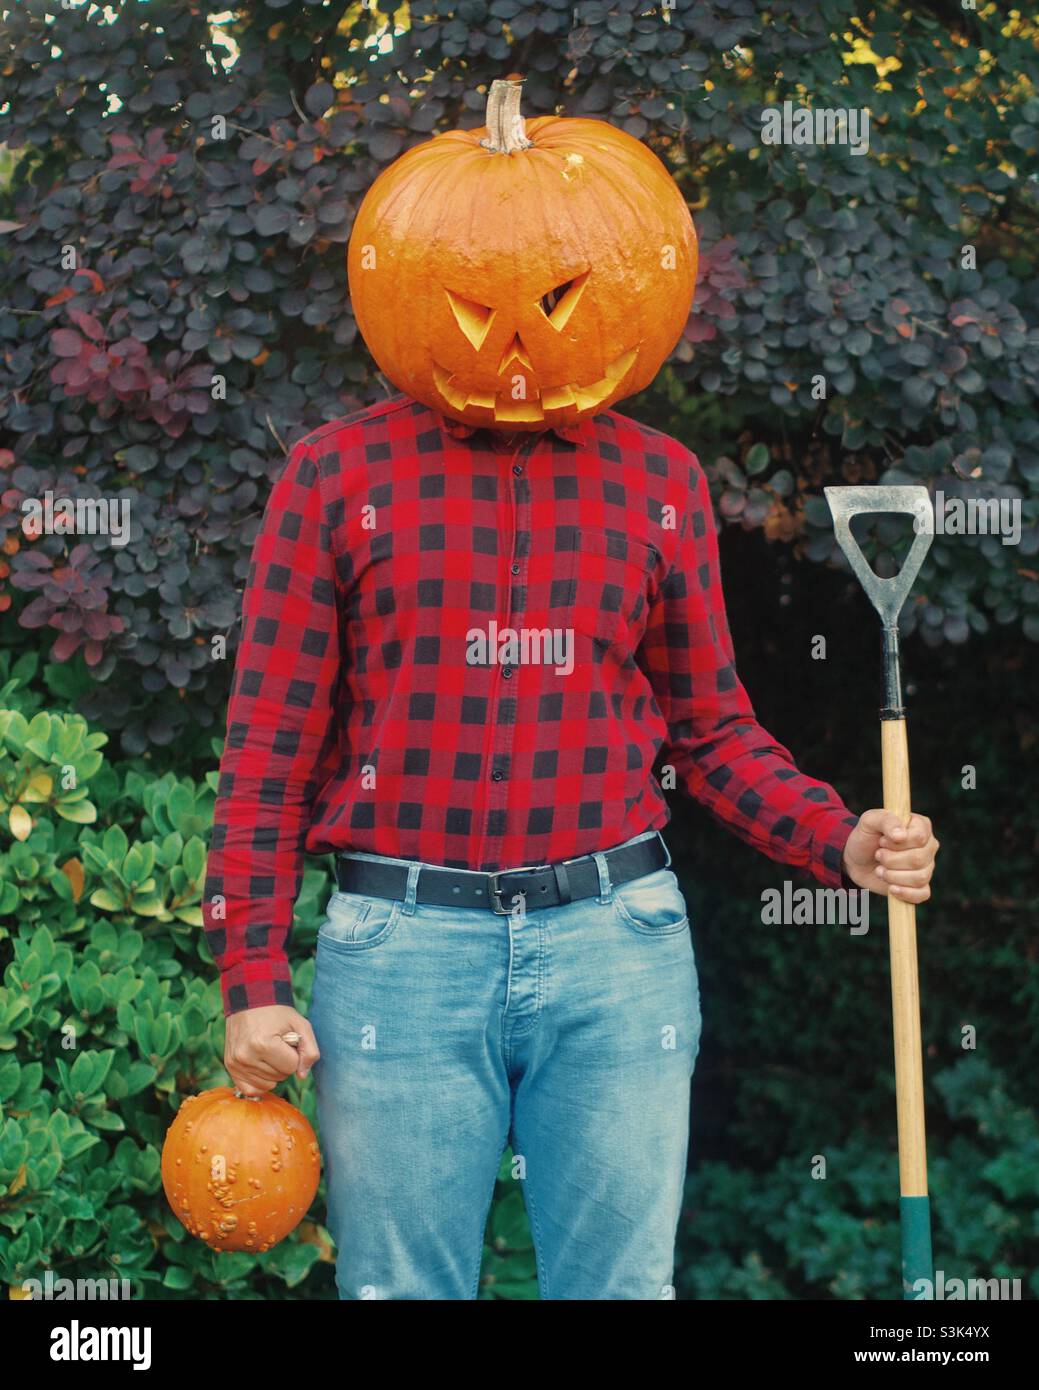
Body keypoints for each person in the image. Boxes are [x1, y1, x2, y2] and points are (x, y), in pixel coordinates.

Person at [202, 392, 939, 1300]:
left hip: (616, 948)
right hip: (400, 951)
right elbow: (266, 750)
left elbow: (708, 732)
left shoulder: (658, 478)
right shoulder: (333, 473)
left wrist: (837, 838)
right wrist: (252, 981)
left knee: (621, 1292)